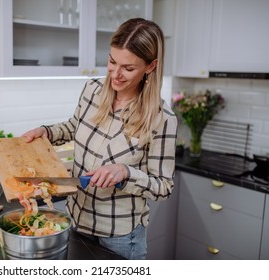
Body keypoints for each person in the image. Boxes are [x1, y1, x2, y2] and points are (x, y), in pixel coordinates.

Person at [22, 18, 177, 260]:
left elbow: (163, 187)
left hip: (120, 236)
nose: (115, 74)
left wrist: (126, 172)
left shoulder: (162, 118)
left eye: (128, 68)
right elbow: (75, 126)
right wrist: (47, 133)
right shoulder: (92, 90)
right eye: (112, 61)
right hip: (76, 219)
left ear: (150, 66)